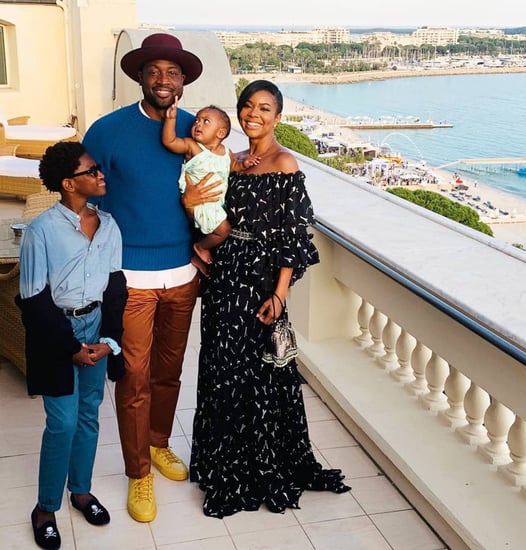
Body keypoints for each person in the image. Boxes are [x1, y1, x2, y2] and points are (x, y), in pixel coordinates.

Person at [183, 80, 351, 518]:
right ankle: (222, 463)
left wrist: (279, 293)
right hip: (224, 277)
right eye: (246, 107)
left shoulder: (285, 163)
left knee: (259, 374)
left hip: (260, 282)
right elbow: (209, 210)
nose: (252, 114)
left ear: (277, 117)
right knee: (221, 367)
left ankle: (263, 467)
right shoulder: (231, 160)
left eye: (263, 108)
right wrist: (200, 243)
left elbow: (295, 237)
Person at [82, 32, 204, 523]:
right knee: (133, 378)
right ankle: (138, 473)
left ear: (183, 82)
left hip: (184, 274)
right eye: (153, 71)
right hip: (129, 277)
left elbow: (221, 191)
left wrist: (208, 243)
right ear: (139, 76)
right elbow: (86, 201)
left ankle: (158, 444)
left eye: (172, 73)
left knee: (169, 371)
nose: (163, 79)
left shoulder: (201, 129)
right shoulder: (107, 132)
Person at [16, 141, 127, 549]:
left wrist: (108, 341)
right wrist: (71, 348)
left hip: (96, 327)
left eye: (99, 169)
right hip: (55, 333)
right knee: (61, 422)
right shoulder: (41, 231)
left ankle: (80, 491)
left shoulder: (110, 226)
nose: (100, 175)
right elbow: (33, 300)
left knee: (88, 415)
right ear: (68, 183)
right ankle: (46, 507)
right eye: (91, 170)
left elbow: (115, 288)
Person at [162, 101, 260, 264]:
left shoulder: (225, 152)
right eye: (197, 120)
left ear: (220, 132)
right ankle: (201, 247)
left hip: (215, 202)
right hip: (201, 202)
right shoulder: (192, 146)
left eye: (205, 121)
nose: (198, 124)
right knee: (224, 230)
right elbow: (169, 142)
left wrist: (244, 164)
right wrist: (170, 120)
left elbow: (233, 166)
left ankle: (202, 247)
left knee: (224, 227)